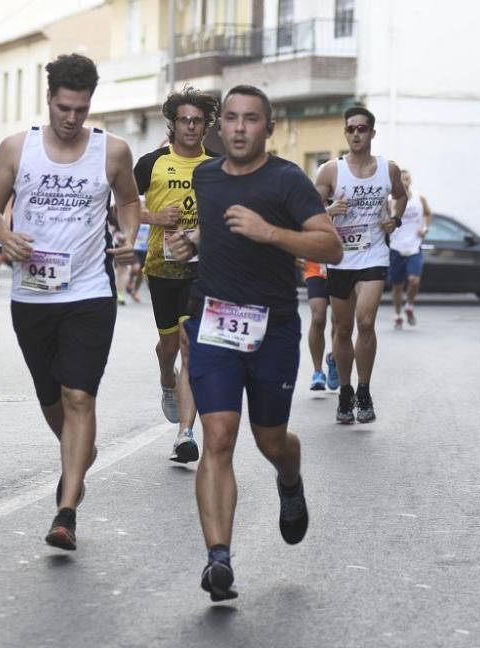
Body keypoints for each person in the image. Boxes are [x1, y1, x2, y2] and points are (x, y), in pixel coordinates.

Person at [166, 85, 341, 601]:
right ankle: (218, 559)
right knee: (218, 438)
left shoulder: (287, 180)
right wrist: (189, 243)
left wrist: (271, 233)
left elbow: (329, 243)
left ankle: (289, 476)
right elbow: (215, 232)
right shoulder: (207, 175)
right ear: (222, 128)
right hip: (214, 323)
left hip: (273, 328)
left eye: (251, 120)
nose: (240, 128)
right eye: (233, 120)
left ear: (267, 127)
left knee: (270, 441)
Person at [0, 53, 140, 551]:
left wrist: (130, 233)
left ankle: (66, 511)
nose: (71, 119)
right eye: (64, 108)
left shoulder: (111, 152)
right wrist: (4, 236)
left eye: (81, 109)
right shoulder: (16, 149)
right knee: (51, 397)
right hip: (31, 295)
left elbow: (129, 201)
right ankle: (78, 459)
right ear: (48, 100)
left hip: (90, 291)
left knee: (79, 397)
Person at [133, 86, 218, 463]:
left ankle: (185, 433)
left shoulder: (217, 166)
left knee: (190, 345)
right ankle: (167, 380)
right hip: (162, 267)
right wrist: (153, 217)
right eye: (184, 119)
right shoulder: (150, 163)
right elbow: (118, 206)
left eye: (197, 120)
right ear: (172, 124)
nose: (190, 126)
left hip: (204, 269)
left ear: (206, 126)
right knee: (169, 347)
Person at [314, 106, 407, 424]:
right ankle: (345, 391)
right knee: (342, 328)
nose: (356, 134)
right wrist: (328, 210)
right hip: (340, 258)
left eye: (362, 129)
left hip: (374, 254)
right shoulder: (330, 170)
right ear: (345, 133)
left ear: (372, 133)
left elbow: (401, 196)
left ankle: (364, 391)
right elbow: (309, 208)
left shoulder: (388, 169)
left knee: (365, 323)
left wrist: (394, 219)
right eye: (350, 129)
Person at [388, 169, 431, 327]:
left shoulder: (420, 198)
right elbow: (385, 218)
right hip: (396, 246)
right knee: (397, 286)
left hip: (414, 245)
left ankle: (410, 306)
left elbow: (427, 214)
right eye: (402, 179)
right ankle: (398, 314)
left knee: (414, 280)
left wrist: (425, 228)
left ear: (410, 180)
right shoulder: (391, 199)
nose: (405, 181)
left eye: (407, 178)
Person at [302, 260, 338, 391]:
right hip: (315, 268)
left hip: (342, 268)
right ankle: (318, 372)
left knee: (338, 320)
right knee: (318, 319)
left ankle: (334, 359)